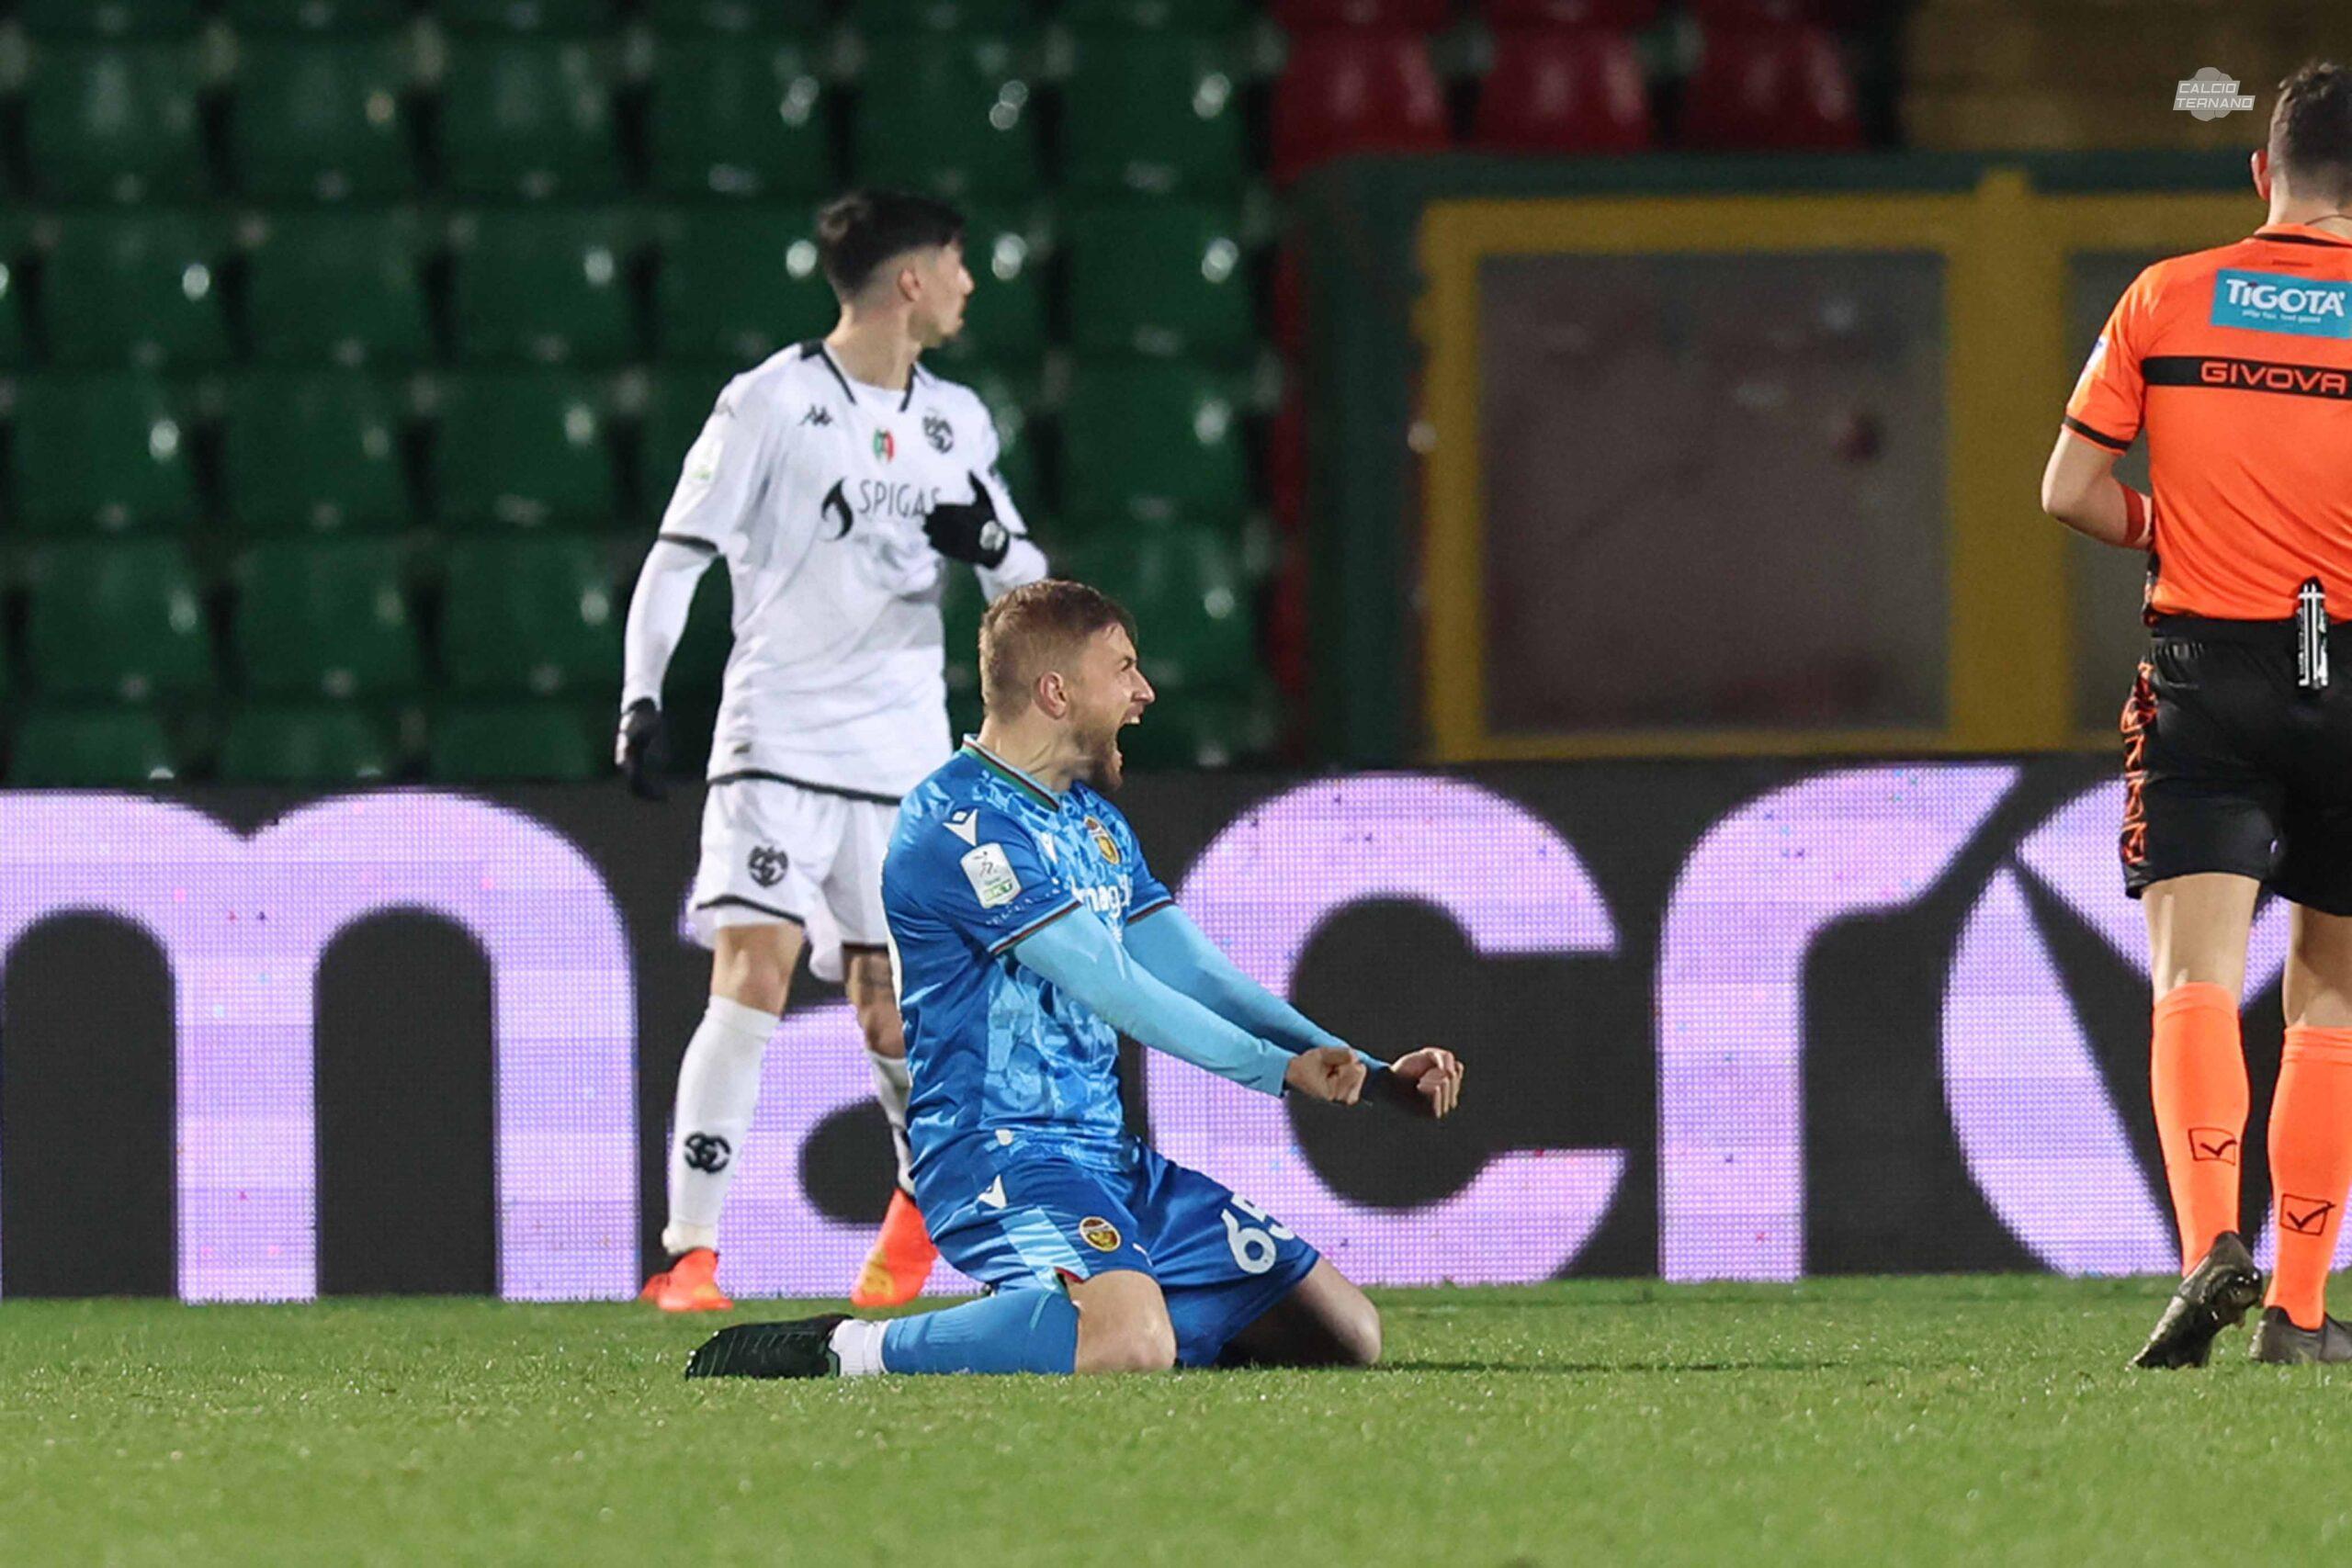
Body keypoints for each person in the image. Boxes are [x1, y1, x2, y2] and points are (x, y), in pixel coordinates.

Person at [684, 581, 1465, 1378]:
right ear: (1056, 692)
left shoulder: (1093, 824)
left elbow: (1196, 973)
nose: (1144, 692)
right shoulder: (959, 823)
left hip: (1111, 1158)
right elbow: (1113, 984)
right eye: (1123, 668)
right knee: (1131, 1342)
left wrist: (1369, 1073)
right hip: (999, 1156)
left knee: (1344, 1333)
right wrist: (1279, 1068)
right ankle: (849, 1347)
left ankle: (1094, 1323)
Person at [619, 191, 1048, 1314]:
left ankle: (915, 1223)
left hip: (902, 759)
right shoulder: (769, 400)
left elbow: (1027, 587)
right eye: (955, 263)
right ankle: (690, 1255)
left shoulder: (957, 421)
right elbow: (678, 554)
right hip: (777, 739)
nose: (968, 284)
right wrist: (641, 697)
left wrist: (988, 543)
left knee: (894, 1009)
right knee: (750, 974)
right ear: (910, 280)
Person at [2041, 61, 2352, 1367]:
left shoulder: (2167, 295)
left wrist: (2171, 524)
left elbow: (2068, 490)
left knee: (2195, 978)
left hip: (2203, 670)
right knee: (2331, 989)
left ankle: (2207, 1243)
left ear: (2262, 170)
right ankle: (2299, 1310)